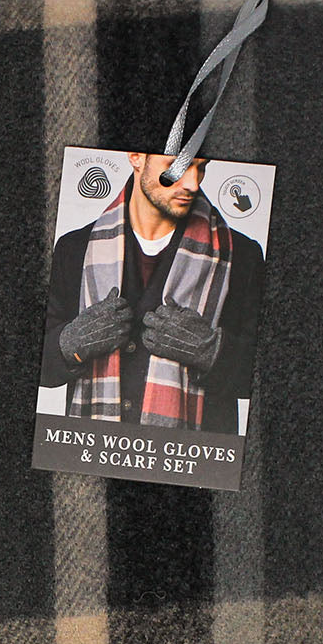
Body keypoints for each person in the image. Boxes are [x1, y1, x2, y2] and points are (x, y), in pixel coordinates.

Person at [40, 153, 263, 434]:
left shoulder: (242, 255)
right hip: (92, 452)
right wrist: (69, 345)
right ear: (136, 157)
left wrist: (212, 353)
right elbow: (35, 367)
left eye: (201, 168)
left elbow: (266, 376)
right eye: (178, 167)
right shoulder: (73, 249)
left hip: (193, 457)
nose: (193, 184)